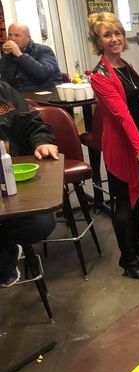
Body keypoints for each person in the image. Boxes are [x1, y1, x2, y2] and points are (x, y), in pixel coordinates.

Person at [88, 12, 139, 280]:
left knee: (138, 198)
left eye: (117, 33)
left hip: (137, 141)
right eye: (108, 35)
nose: (115, 38)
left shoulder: (125, 66)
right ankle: (127, 260)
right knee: (123, 204)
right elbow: (122, 115)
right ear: (99, 41)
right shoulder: (100, 75)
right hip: (121, 147)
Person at [0, 79, 58, 287]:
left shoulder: (4, 90)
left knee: (41, 223)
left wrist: (42, 141)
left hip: (13, 176)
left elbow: (33, 123)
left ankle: (6, 250)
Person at [0, 23, 63, 91]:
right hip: (20, 97)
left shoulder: (44, 50)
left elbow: (43, 74)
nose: (12, 39)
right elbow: (5, 81)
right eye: (10, 35)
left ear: (28, 38)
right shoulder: (8, 55)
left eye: (17, 35)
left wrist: (20, 55)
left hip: (45, 93)